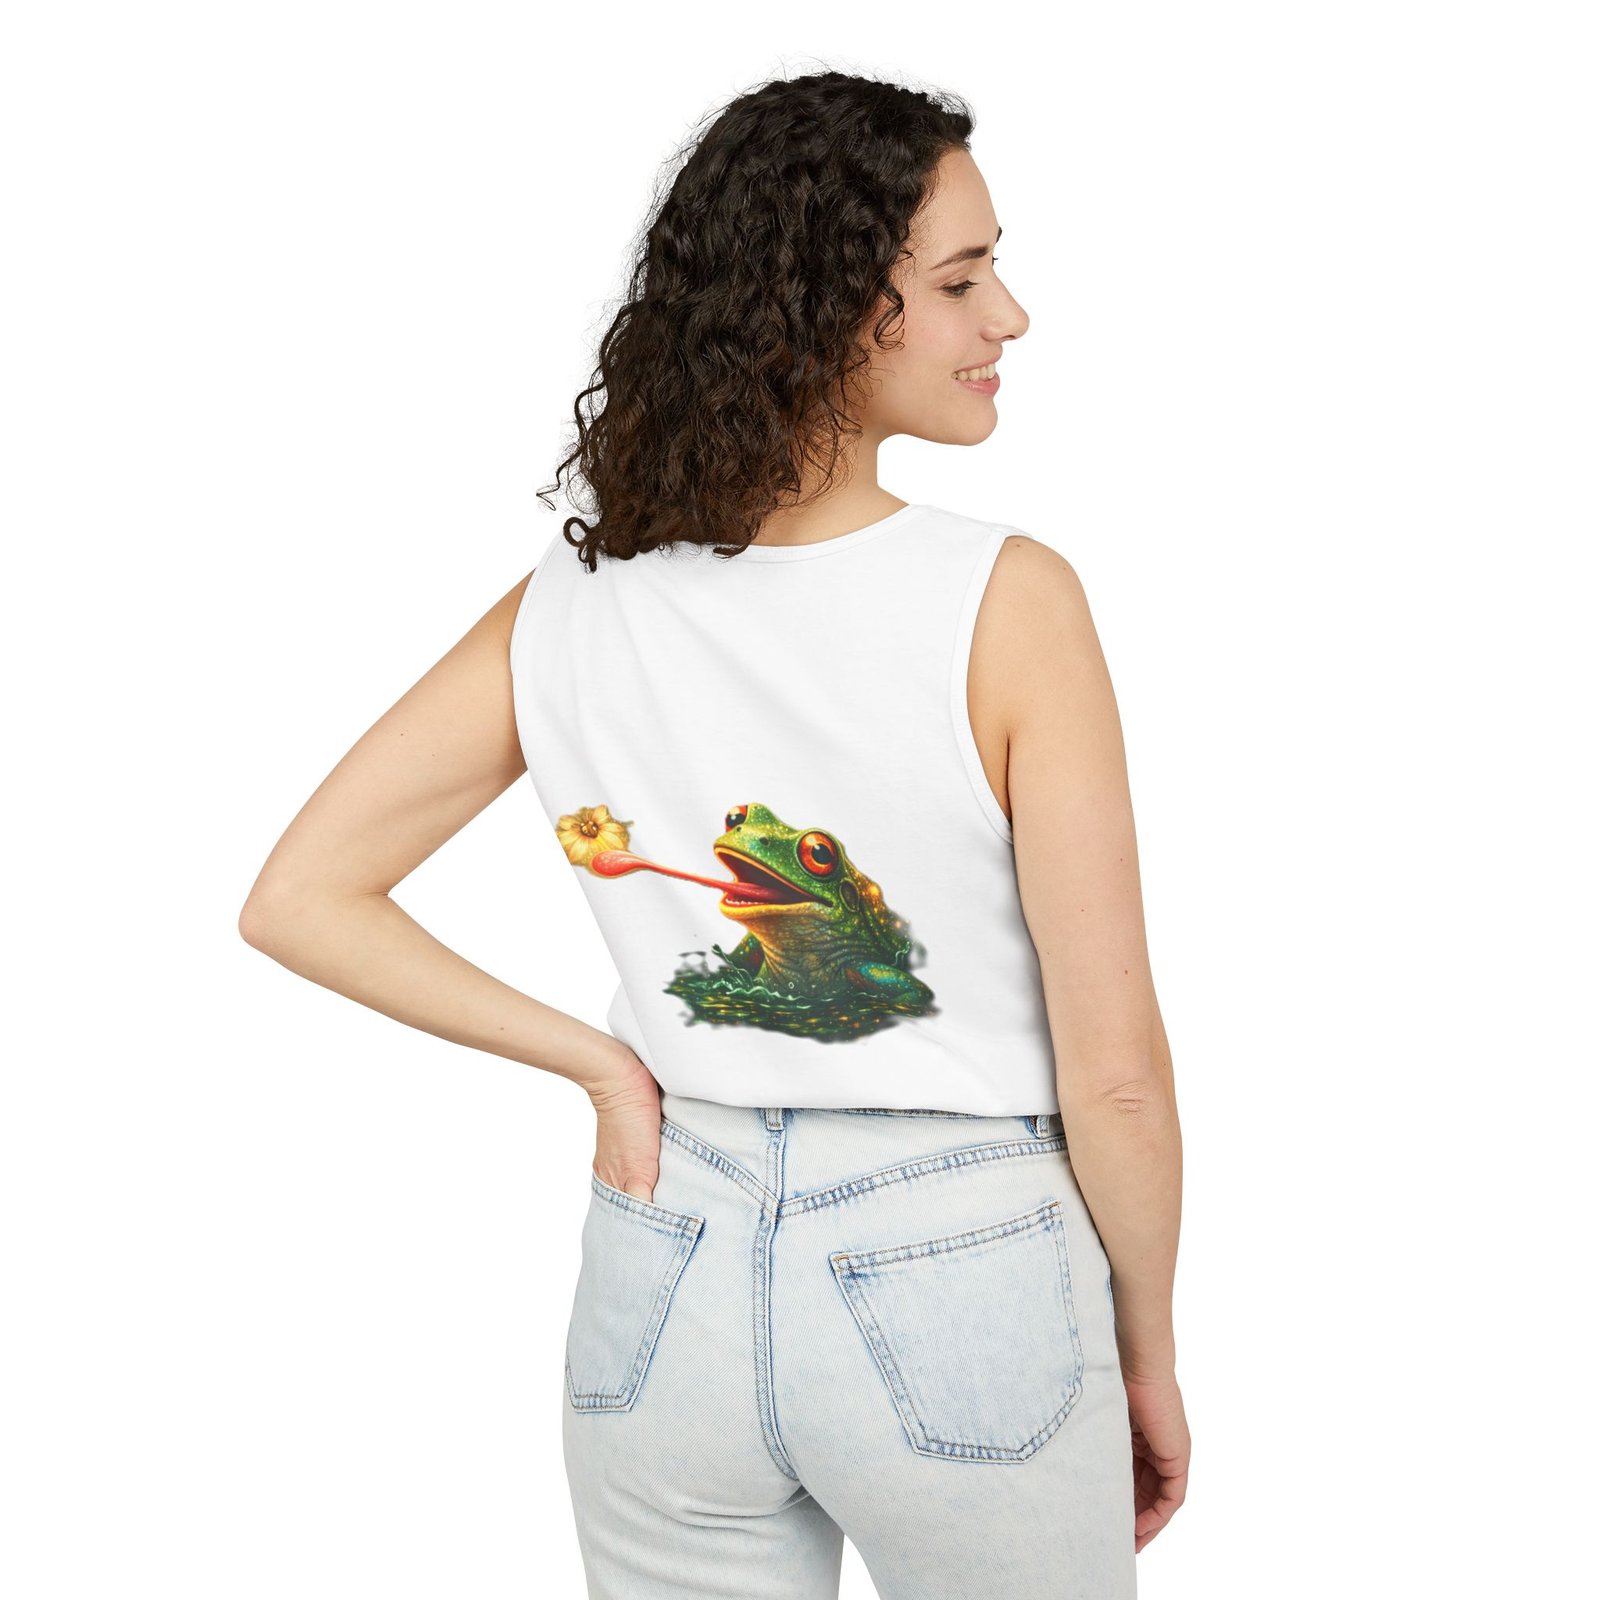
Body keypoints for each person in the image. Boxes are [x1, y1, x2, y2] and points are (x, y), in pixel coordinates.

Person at [240, 70, 1188, 1600]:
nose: (1008, 317)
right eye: (961, 281)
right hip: (963, 1259)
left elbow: (301, 894)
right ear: (827, 305)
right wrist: (1142, 1347)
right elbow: (1118, 1075)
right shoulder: (1009, 600)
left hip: (665, 1253)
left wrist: (611, 1068)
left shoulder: (570, 602)